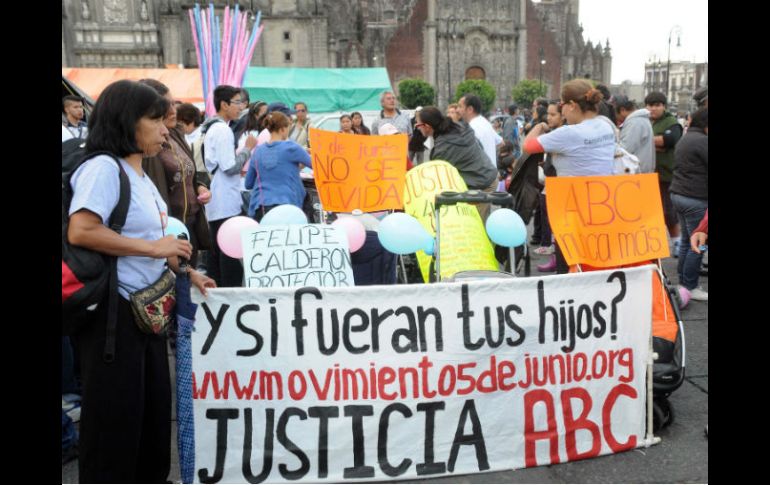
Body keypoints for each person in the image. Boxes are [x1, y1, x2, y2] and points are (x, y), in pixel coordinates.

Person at [66, 79, 215, 483]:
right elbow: (81, 231)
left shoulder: (140, 174)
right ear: (127, 121)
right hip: (114, 322)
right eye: (155, 119)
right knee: (117, 432)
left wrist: (183, 270)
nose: (165, 128)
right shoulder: (101, 169)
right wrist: (153, 250)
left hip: (146, 317)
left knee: (149, 426)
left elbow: (149, 240)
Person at [523, 79, 615, 273]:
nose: (562, 110)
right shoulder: (606, 126)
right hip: (602, 205)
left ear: (572, 106)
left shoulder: (568, 133)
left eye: (562, 105)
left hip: (572, 209)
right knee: (595, 263)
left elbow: (528, 146)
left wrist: (540, 126)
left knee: (569, 265)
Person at [139, 79, 212, 269]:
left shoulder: (177, 135)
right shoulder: (145, 144)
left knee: (190, 279)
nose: (173, 110)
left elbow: (189, 172)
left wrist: (199, 186)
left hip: (190, 223)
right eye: (166, 105)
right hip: (166, 229)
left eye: (173, 103)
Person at [204, 85, 257, 287]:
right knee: (228, 254)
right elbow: (229, 167)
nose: (240, 107)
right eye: (236, 103)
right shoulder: (223, 130)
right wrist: (247, 150)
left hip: (218, 198)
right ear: (224, 105)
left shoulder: (213, 127)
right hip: (224, 199)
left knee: (216, 253)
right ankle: (228, 294)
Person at [415, 106, 498, 220]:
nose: (417, 128)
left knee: (477, 225)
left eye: (418, 125)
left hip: (482, 183)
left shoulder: (442, 149)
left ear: (427, 127)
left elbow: (439, 179)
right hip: (486, 173)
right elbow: (479, 146)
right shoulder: (458, 126)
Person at [670, 107, 708, 301]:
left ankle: (684, 283)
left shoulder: (686, 137)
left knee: (687, 241)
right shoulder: (702, 141)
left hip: (679, 194)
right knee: (698, 244)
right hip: (695, 197)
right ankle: (690, 286)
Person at [245, 111, 312, 222]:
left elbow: (248, 184)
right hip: (288, 207)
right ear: (283, 129)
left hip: (261, 208)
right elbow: (317, 166)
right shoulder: (291, 148)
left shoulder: (258, 151)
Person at [645, 91, 684, 254]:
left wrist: (647, 140)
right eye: (650, 105)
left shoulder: (672, 122)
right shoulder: (645, 122)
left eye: (657, 105)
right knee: (651, 212)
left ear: (664, 106)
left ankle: (677, 243)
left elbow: (668, 140)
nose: (653, 109)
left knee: (669, 211)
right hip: (648, 175)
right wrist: (656, 142)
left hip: (667, 175)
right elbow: (658, 142)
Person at [459, 94, 502, 170]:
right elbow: (501, 142)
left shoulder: (472, 128)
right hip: (491, 174)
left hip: (481, 177)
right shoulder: (485, 122)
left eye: (460, 106)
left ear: (470, 109)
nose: (457, 110)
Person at [613, 95, 655, 174]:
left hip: (637, 171)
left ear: (622, 110)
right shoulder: (641, 120)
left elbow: (625, 149)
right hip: (642, 169)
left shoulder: (635, 122)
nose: (617, 119)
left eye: (616, 115)